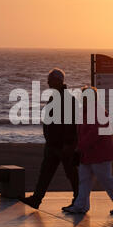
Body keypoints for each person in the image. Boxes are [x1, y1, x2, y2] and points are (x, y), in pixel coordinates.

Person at [64, 86, 113, 215]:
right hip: (89, 153)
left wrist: (80, 147)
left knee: (105, 178)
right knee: (85, 179)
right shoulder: (87, 111)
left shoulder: (96, 111)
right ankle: (81, 205)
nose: (82, 99)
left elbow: (94, 133)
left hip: (99, 153)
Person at [21, 68, 79, 210]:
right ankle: (37, 199)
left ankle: (78, 200)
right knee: (45, 173)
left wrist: (68, 143)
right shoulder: (55, 97)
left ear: (58, 81)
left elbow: (70, 123)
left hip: (62, 145)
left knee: (71, 174)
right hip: (52, 144)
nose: (47, 82)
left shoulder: (67, 99)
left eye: (50, 79)